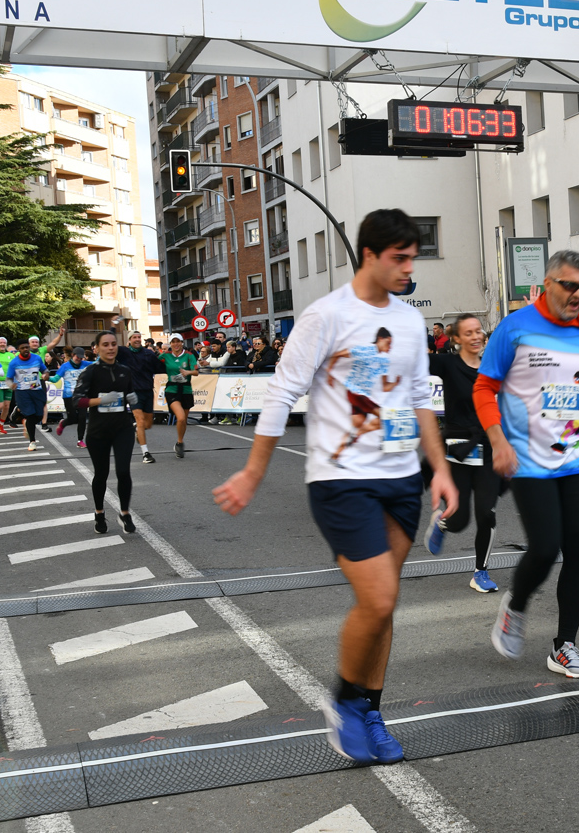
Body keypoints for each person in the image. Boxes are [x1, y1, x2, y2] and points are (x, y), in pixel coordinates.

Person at [213, 208, 456, 766]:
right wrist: (252, 472)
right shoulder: (327, 315)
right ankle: (344, 699)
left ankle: (370, 710)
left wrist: (440, 468)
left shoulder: (410, 321)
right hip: (342, 480)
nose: (409, 268)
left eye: (413, 258)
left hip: (400, 477)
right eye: (399, 258)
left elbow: (420, 398)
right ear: (369, 254)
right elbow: (281, 394)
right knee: (379, 597)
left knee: (383, 606)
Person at [476, 250, 579, 678]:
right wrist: (498, 442)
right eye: (570, 285)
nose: (578, 294)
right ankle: (516, 605)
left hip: (578, 459)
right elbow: (484, 388)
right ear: (548, 284)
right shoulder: (515, 328)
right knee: (545, 548)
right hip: (527, 460)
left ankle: (564, 646)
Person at [424, 313, 504, 593]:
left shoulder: (492, 367)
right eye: (468, 333)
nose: (476, 336)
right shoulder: (447, 363)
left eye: (478, 331)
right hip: (458, 448)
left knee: (487, 513)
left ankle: (481, 572)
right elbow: (412, 361)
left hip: (488, 447)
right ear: (456, 338)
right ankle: (442, 522)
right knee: (459, 520)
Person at [73, 330, 138, 535]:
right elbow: (77, 400)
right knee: (101, 474)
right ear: (97, 348)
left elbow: (130, 393)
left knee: (123, 471)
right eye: (106, 345)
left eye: (113, 344)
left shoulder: (125, 370)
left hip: (122, 428)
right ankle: (99, 513)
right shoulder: (90, 372)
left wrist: (135, 404)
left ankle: (125, 513)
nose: (110, 348)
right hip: (98, 431)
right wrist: (100, 400)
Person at [119, 329, 165, 463]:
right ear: (129, 340)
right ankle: (146, 453)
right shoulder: (124, 353)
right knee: (140, 421)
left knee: (148, 424)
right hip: (133, 392)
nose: (137, 339)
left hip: (148, 391)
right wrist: (114, 326)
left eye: (139, 337)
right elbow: (110, 344)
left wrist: (173, 366)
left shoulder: (148, 353)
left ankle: (138, 430)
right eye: (134, 337)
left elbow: (159, 367)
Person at [6, 339, 49, 452]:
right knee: (30, 415)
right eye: (22, 348)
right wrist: (11, 385)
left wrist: (45, 375)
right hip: (22, 392)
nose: (25, 349)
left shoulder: (37, 358)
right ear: (18, 350)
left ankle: (19, 411)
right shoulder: (14, 363)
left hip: (37, 390)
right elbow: (8, 379)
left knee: (39, 416)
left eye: (27, 347)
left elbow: (45, 370)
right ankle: (32, 441)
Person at [161, 333, 200, 458]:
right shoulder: (166, 355)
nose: (176, 344)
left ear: (182, 343)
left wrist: (188, 372)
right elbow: (152, 363)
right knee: (181, 417)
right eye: (173, 342)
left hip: (186, 389)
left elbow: (196, 372)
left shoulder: (189, 355)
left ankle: (179, 442)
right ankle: (180, 442)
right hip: (172, 389)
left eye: (178, 341)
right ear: (170, 344)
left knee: (183, 421)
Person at [55, 347, 91, 448]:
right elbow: (56, 378)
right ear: (72, 355)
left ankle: (80, 440)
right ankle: (63, 423)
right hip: (68, 395)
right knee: (73, 418)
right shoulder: (65, 366)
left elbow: (98, 363)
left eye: (81, 357)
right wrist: (47, 377)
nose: (79, 359)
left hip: (82, 395)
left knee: (82, 417)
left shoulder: (85, 364)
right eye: (77, 357)